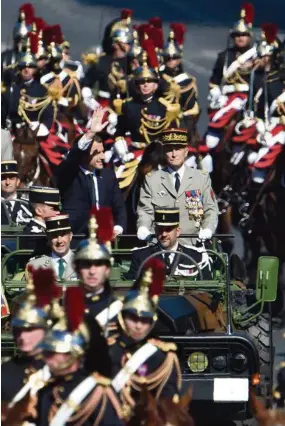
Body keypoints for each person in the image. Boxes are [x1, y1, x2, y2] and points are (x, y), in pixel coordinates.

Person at [34, 286, 124, 426]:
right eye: (48, 353)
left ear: (74, 353)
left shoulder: (96, 392)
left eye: (56, 353)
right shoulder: (47, 391)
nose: (49, 359)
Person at [108, 258, 181, 419]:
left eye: (144, 320)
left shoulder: (162, 358)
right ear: (122, 317)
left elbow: (167, 404)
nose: (138, 326)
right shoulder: (107, 352)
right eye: (133, 318)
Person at [137, 128, 219, 244]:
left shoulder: (201, 178)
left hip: (193, 245)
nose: (174, 154)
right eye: (169, 150)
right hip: (160, 246)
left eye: (178, 149)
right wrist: (143, 227)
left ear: (186, 152)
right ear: (164, 152)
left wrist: (208, 229)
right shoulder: (152, 179)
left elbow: (210, 209)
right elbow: (145, 210)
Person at [56, 107, 127, 236]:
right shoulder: (70, 173)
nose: (103, 157)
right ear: (84, 155)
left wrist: (118, 228)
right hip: (76, 238)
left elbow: (119, 207)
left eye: (102, 152)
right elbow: (73, 156)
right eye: (96, 153)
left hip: (104, 238)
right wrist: (90, 133)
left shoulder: (108, 175)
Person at [1, 267, 59, 407]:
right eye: (18, 329)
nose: (22, 336)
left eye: (30, 329)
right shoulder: (5, 373)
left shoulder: (63, 371)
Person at [205, 3, 256, 150]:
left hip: (247, 100)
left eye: (244, 35)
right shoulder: (224, 56)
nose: (240, 38)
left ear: (249, 36)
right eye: (237, 35)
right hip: (226, 98)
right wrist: (215, 92)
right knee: (211, 139)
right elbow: (214, 80)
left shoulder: (256, 57)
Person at [126, 208, 212, 280]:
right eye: (160, 229)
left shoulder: (195, 257)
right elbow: (131, 289)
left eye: (168, 229)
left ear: (178, 232)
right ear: (155, 231)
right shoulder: (141, 256)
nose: (163, 234)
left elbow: (208, 291)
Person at [74, 207, 123, 328]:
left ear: (108, 269)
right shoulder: (63, 308)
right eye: (86, 264)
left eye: (99, 264)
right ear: (77, 269)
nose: (92, 271)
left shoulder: (121, 309)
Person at [9, 39, 55, 138]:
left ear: (35, 69)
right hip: (12, 131)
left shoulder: (43, 90)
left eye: (30, 67)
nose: (26, 70)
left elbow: (48, 114)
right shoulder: (11, 88)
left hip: (35, 131)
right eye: (23, 67)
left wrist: (43, 126)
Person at [27, 214, 77, 281]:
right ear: (48, 238)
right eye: (54, 236)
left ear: (70, 236)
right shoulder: (35, 266)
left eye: (63, 235)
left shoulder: (84, 264)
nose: (59, 241)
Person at [1, 160, 32, 225]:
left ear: (18, 181)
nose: (7, 182)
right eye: (3, 178)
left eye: (12, 178)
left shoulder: (29, 206)